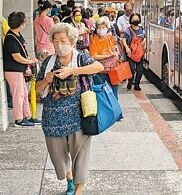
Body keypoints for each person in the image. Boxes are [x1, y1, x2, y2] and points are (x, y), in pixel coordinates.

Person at [35, 23, 103, 195]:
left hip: (78, 116)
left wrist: (74, 71)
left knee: (80, 156)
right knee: (59, 157)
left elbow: (98, 67)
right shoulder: (49, 62)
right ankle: (70, 180)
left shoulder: (80, 58)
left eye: (63, 40)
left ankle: (79, 189)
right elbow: (37, 89)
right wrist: (47, 79)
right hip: (53, 118)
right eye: (55, 41)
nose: (58, 45)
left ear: (72, 41)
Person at [4, 12, 40, 126]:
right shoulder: (10, 38)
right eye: (24, 21)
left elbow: (22, 53)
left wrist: (29, 60)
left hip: (19, 70)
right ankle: (19, 119)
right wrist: (30, 61)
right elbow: (16, 57)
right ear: (20, 23)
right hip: (13, 70)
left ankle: (27, 116)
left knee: (24, 94)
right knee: (18, 95)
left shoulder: (17, 35)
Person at [89, 17, 121, 100]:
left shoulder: (110, 37)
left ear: (107, 28)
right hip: (101, 70)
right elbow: (93, 55)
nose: (101, 30)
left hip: (113, 68)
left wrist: (115, 52)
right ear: (96, 29)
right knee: (103, 89)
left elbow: (114, 48)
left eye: (103, 27)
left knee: (114, 89)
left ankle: (115, 107)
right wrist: (106, 56)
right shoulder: (94, 40)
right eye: (99, 28)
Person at [122, 13, 145, 91]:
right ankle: (130, 81)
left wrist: (144, 43)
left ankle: (137, 85)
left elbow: (144, 37)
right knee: (132, 69)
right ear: (131, 20)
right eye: (134, 19)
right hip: (131, 53)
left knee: (140, 70)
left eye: (137, 19)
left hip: (140, 53)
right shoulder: (128, 30)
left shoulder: (141, 28)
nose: (135, 21)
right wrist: (126, 48)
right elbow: (124, 39)